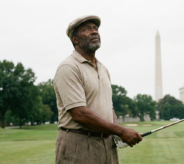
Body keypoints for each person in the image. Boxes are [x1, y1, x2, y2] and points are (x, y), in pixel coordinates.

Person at [53, 15, 142, 164]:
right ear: (75, 40)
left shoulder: (103, 68)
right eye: (87, 29)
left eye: (95, 28)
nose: (94, 32)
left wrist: (117, 132)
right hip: (78, 143)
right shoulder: (68, 67)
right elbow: (80, 114)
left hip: (107, 143)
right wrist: (121, 131)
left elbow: (108, 107)